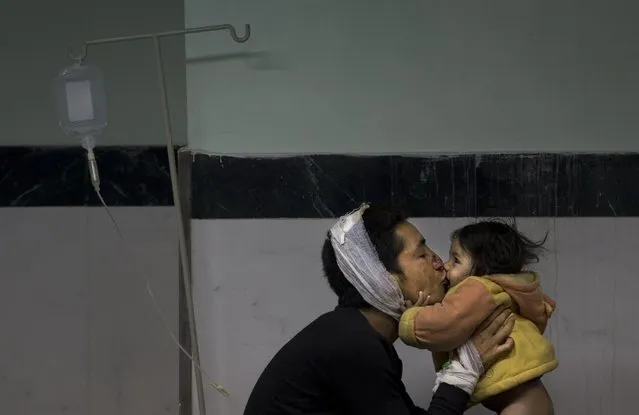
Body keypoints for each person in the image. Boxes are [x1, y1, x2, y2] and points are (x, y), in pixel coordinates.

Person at [244, 205, 515, 414]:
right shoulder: (353, 346)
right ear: (380, 277)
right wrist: (463, 372)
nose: (439, 263)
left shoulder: (351, 335)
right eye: (422, 255)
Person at [399, 220, 557, 414]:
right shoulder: (497, 293)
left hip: (518, 405)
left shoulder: (477, 288)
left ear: (483, 270)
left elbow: (444, 325)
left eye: (456, 260)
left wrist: (411, 318)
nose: (447, 265)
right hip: (529, 397)